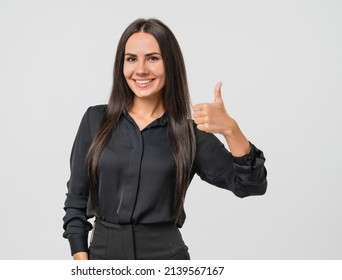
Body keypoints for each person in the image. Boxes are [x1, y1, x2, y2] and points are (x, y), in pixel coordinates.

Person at [62, 18, 267, 260]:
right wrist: (81, 261)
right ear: (121, 65)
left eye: (153, 58)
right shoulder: (95, 120)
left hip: (166, 259)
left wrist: (231, 130)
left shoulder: (191, 134)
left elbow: (250, 186)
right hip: (102, 256)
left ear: (170, 64)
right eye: (131, 59)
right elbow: (76, 199)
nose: (141, 70)